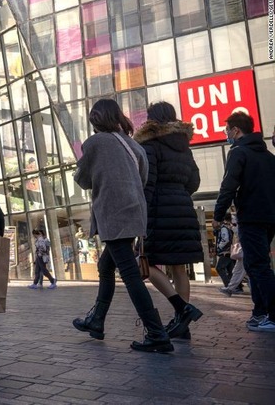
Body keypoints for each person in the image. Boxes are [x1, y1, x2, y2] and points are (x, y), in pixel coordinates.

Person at [72, 99, 173, 353]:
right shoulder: (133, 144)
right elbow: (143, 176)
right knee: (105, 265)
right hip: (134, 214)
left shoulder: (94, 144)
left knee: (129, 275)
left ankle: (156, 332)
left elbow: (83, 180)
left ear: (96, 119)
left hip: (114, 215)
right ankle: (96, 320)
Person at [133, 101, 203, 339]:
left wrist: (141, 216)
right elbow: (194, 182)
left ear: (152, 119)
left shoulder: (151, 145)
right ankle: (182, 325)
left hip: (158, 211)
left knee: (146, 263)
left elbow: (148, 184)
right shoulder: (185, 147)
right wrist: (179, 194)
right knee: (179, 267)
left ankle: (182, 311)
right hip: (183, 208)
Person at [212, 111, 275, 333]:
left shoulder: (238, 152)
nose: (226, 134)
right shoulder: (267, 155)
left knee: (258, 266)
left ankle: (271, 315)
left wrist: (218, 215)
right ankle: (259, 313)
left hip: (251, 216)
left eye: (227, 129)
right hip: (269, 217)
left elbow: (228, 185)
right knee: (254, 264)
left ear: (236, 130)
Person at [214, 213, 236, 289]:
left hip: (225, 252)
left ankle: (229, 286)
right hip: (229, 251)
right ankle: (236, 287)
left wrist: (219, 247)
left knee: (219, 268)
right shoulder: (226, 228)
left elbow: (225, 239)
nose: (213, 223)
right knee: (231, 270)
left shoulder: (223, 229)